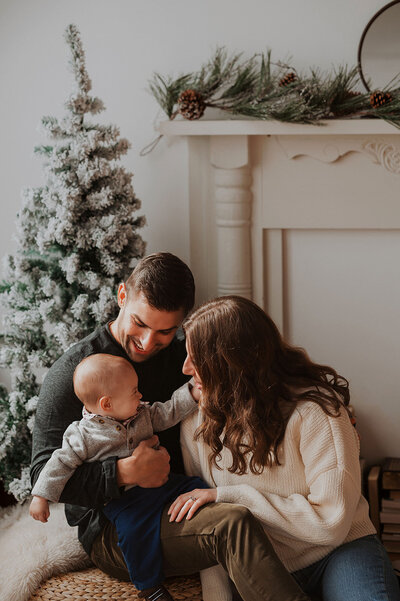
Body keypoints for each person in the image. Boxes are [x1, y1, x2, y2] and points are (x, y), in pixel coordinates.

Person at [31, 253, 311, 601]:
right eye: (140, 323)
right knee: (232, 524)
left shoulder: (187, 358)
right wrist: (123, 473)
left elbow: (252, 373)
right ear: (122, 296)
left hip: (182, 497)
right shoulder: (78, 371)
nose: (149, 342)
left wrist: (318, 405)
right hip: (118, 526)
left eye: (165, 331)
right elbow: (43, 473)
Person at [170, 295, 400, 601]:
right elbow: (214, 531)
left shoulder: (317, 412)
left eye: (195, 358)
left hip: (339, 549)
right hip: (259, 565)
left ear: (229, 364)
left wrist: (229, 496)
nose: (186, 369)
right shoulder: (194, 424)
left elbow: (331, 522)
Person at [30, 353, 207, 601]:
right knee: (134, 534)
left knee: (197, 486)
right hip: (124, 501)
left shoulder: (141, 413)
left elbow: (168, 411)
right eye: (134, 391)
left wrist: (193, 393)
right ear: (107, 404)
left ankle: (203, 523)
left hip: (162, 484)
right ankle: (149, 586)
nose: (140, 396)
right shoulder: (82, 435)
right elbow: (59, 463)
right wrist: (41, 496)